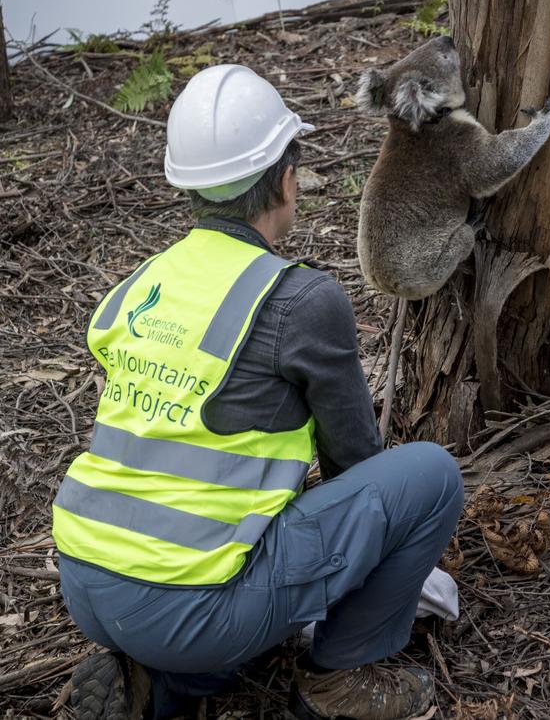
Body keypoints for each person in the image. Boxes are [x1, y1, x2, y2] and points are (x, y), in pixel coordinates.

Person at [52, 65, 464, 720]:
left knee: (231, 578)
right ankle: (338, 678)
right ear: (286, 177)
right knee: (429, 476)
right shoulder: (300, 297)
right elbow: (357, 464)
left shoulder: (142, 283)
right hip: (187, 603)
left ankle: (159, 686)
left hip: (86, 579)